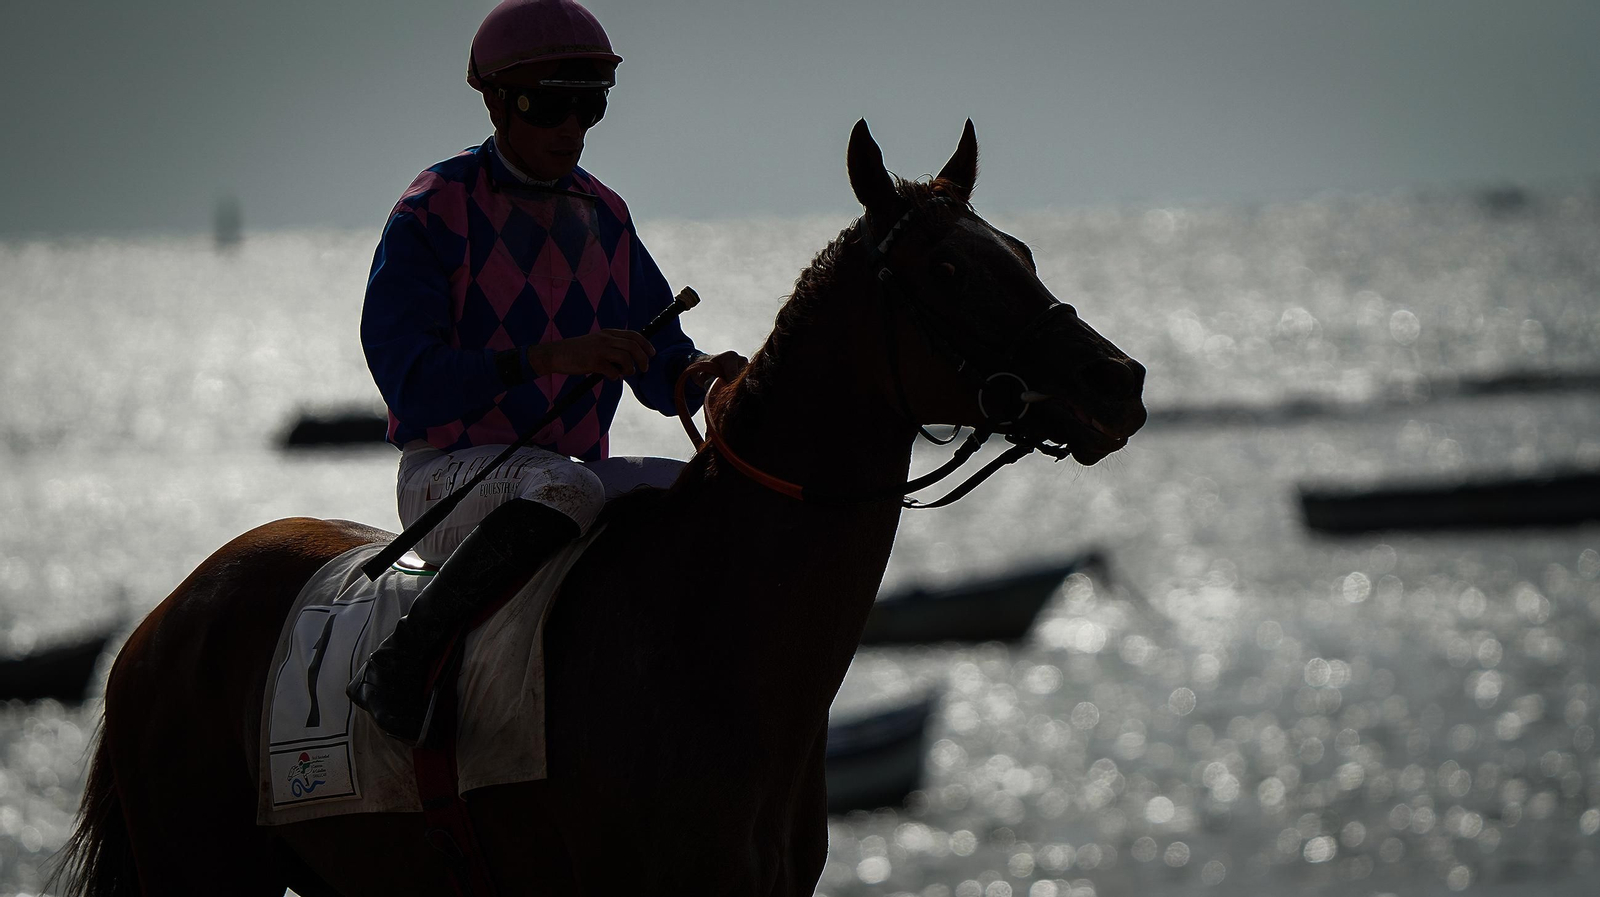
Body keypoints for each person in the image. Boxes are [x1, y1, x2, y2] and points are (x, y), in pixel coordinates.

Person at [349, 0, 744, 744]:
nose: (570, 128)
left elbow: (658, 360)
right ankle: (401, 663)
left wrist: (704, 376)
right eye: (547, 105)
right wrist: (547, 360)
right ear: (498, 101)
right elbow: (411, 381)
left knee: (700, 493)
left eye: (588, 107)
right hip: (450, 478)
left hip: (565, 480)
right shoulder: (433, 211)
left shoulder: (603, 214)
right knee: (565, 483)